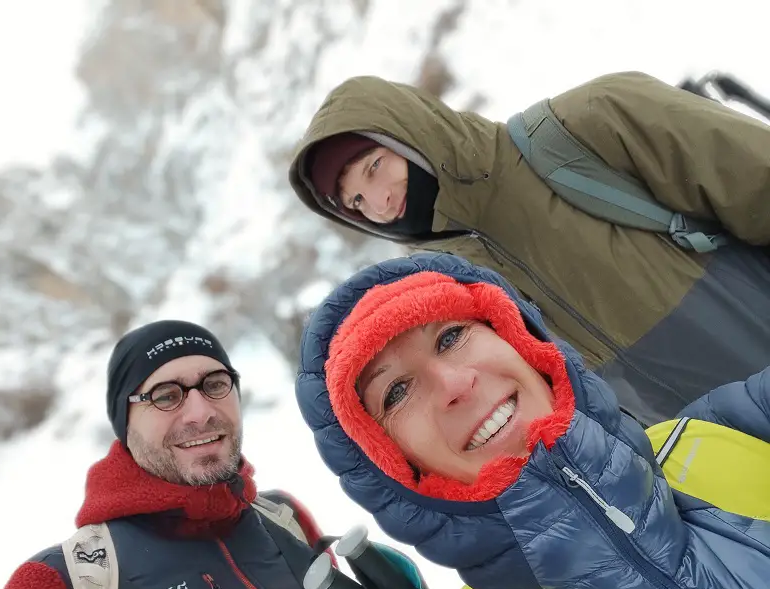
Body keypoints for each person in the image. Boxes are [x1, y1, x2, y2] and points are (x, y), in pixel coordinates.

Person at [295, 252, 770, 589]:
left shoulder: (739, 430)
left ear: (520, 339)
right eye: (397, 392)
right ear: (395, 470)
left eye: (450, 336)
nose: (456, 384)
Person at [288, 70, 770, 426]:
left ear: (414, 133)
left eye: (374, 167)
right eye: (353, 201)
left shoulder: (590, 122)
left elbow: (758, 179)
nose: (379, 203)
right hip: (722, 464)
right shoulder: (448, 287)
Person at [0, 320, 388, 589]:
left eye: (215, 384)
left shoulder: (285, 520)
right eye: (166, 395)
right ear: (126, 422)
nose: (201, 412)